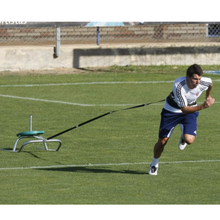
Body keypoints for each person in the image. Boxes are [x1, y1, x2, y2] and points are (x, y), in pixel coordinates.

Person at [149, 64, 215, 175]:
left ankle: (184, 135)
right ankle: (154, 164)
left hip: (191, 109)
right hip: (171, 111)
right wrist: (203, 106)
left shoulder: (204, 81)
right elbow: (184, 109)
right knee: (163, 141)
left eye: (199, 79)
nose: (197, 82)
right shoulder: (179, 85)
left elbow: (210, 84)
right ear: (187, 77)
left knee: (189, 140)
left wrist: (208, 96)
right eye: (194, 79)